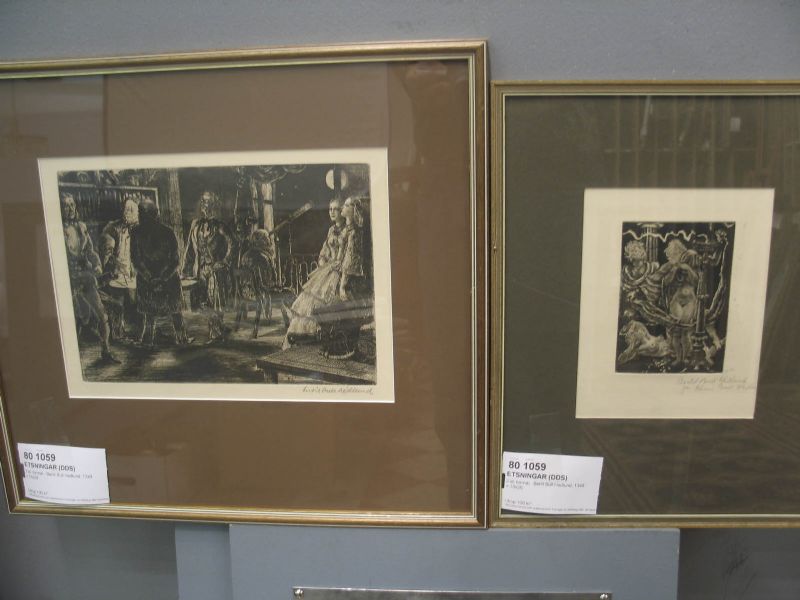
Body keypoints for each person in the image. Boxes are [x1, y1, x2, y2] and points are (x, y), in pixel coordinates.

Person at [282, 196, 365, 348]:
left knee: (324, 302)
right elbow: (324, 251)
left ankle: (321, 338)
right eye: (330, 209)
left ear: (343, 211)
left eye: (336, 209)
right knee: (308, 299)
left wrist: (337, 268)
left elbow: (349, 257)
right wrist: (322, 262)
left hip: (339, 271)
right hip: (327, 269)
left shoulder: (348, 230)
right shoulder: (331, 230)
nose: (332, 212)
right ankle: (300, 337)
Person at [61, 192, 119, 363]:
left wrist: (97, 264)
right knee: (76, 319)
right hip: (67, 280)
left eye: (72, 204)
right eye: (66, 205)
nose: (70, 209)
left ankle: (106, 351)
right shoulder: (56, 229)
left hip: (85, 278)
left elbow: (90, 251)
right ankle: (69, 361)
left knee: (102, 315)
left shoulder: (81, 226)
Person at [130, 198, 191, 347]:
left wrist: (153, 278)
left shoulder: (162, 232)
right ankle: (174, 339)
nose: (140, 217)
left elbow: (174, 260)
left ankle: (173, 339)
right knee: (159, 312)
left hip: (156, 280)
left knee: (167, 311)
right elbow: (136, 259)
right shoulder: (162, 232)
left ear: (153, 214)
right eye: (140, 213)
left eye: (142, 213)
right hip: (161, 280)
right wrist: (157, 278)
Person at [182, 190, 233, 344]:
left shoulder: (221, 226)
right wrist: (185, 269)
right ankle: (219, 327)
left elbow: (232, 245)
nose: (205, 205)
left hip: (216, 270)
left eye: (209, 202)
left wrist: (223, 262)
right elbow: (189, 249)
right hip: (200, 269)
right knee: (204, 301)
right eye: (203, 202)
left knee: (215, 301)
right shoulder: (195, 225)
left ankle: (215, 333)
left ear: (214, 205)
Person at [100, 195, 139, 337]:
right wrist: (112, 264)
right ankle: (117, 333)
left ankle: (137, 332)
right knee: (117, 303)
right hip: (117, 271)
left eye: (131, 209)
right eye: (125, 209)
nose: (127, 212)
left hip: (134, 272)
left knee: (134, 301)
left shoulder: (141, 229)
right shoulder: (113, 228)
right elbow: (107, 251)